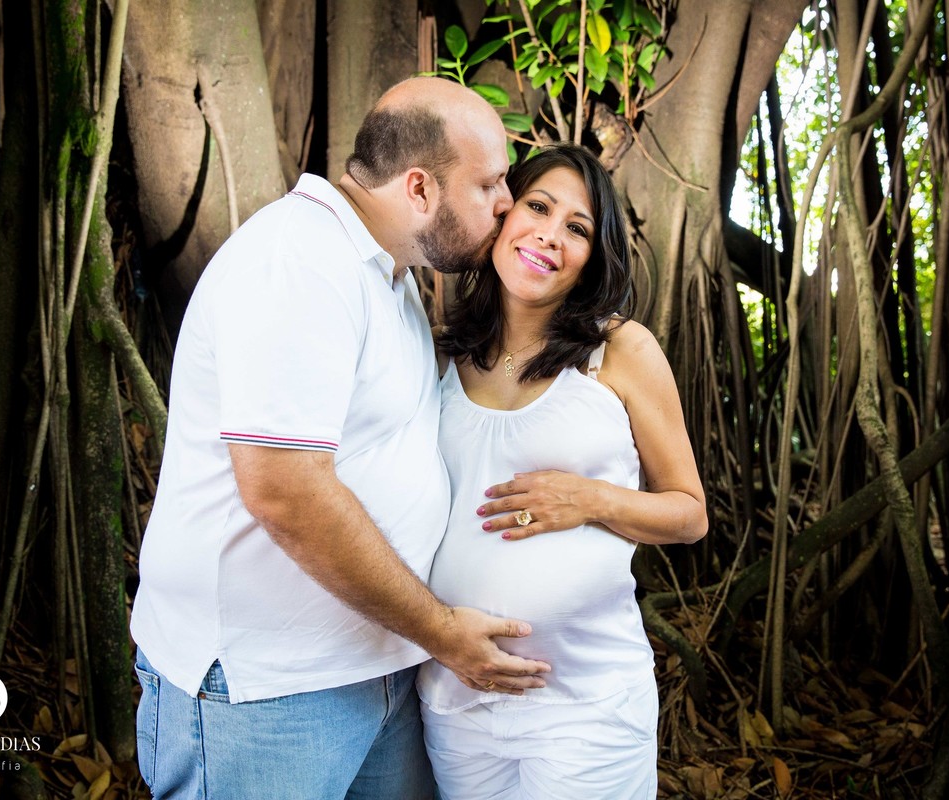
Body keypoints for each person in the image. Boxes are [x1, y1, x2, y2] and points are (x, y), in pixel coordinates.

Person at [129, 77, 552, 800]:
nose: (507, 203)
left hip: (377, 668)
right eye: (488, 185)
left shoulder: (385, 273)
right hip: (265, 695)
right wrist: (444, 630)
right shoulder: (298, 263)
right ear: (419, 188)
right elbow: (286, 492)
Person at [418, 143, 709, 799]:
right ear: (502, 214)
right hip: (456, 697)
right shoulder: (438, 357)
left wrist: (592, 500)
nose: (550, 235)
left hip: (586, 706)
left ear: (591, 257)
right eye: (538, 207)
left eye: (577, 228)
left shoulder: (622, 351)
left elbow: (689, 514)